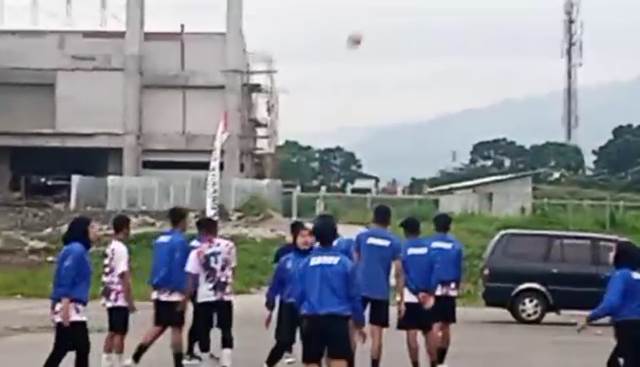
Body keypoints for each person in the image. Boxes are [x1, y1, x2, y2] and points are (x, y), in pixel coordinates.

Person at [295, 214, 366, 367]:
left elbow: (299, 295)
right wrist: (359, 321)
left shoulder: (305, 264)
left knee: (311, 361)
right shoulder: (345, 264)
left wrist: (301, 315)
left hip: (312, 319)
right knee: (338, 361)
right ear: (335, 234)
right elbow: (354, 295)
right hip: (337, 321)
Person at [128, 207, 191, 367]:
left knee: (159, 325)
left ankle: (136, 356)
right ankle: (178, 363)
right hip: (174, 291)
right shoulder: (181, 242)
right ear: (182, 221)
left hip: (159, 288)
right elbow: (180, 267)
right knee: (176, 328)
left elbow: (157, 264)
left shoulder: (160, 240)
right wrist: (184, 291)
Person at [354, 205, 404, 367]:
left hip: (360, 289)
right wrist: (399, 298)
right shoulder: (394, 241)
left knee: (352, 329)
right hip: (380, 291)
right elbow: (398, 272)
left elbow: (355, 262)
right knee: (377, 334)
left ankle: (348, 362)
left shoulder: (362, 237)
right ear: (389, 220)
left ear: (373, 217)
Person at [44, 216, 98, 367]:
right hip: (70, 306)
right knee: (74, 347)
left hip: (73, 305)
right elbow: (66, 277)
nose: (97, 231)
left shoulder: (77, 250)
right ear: (84, 230)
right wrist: (65, 305)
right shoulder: (76, 250)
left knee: (75, 347)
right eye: (93, 227)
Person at [185, 217, 237, 367]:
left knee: (204, 329)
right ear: (216, 229)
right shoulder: (229, 246)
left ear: (201, 231)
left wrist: (187, 296)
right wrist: (229, 284)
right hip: (224, 293)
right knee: (226, 328)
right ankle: (226, 361)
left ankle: (206, 359)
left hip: (204, 294)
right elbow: (233, 268)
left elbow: (192, 276)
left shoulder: (198, 250)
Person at [578, 242, 640, 366]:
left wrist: (589, 317)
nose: (610, 254)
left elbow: (611, 303)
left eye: (613, 251)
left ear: (621, 255)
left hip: (627, 326)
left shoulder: (620, 276)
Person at [263, 224, 314, 367]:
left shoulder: (316, 259)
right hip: (288, 306)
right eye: (302, 236)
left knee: (311, 345)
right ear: (295, 238)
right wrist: (270, 303)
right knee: (283, 342)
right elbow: (276, 285)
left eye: (310, 236)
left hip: (310, 308)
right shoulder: (286, 260)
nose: (306, 240)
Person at [398, 217, 437, 367]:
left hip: (410, 296)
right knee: (429, 332)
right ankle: (433, 363)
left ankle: (415, 364)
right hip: (428, 297)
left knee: (411, 334)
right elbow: (435, 271)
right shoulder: (429, 247)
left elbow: (403, 274)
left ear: (406, 232)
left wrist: (414, 292)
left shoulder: (404, 248)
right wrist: (430, 292)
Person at [425, 213, 463, 367]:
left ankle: (433, 361)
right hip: (449, 286)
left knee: (433, 324)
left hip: (433, 286)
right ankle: (441, 360)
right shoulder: (456, 245)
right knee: (446, 324)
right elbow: (459, 268)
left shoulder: (428, 244)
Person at [101, 214, 136, 367]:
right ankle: (118, 361)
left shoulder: (111, 246)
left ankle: (106, 360)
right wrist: (129, 299)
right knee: (120, 332)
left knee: (112, 330)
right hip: (119, 295)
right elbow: (123, 275)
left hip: (110, 294)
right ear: (125, 229)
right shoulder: (121, 249)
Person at [184, 217, 215, 364]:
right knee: (199, 320)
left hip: (206, 287)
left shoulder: (204, 244)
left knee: (206, 321)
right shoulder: (195, 246)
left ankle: (204, 350)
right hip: (197, 288)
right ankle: (191, 351)